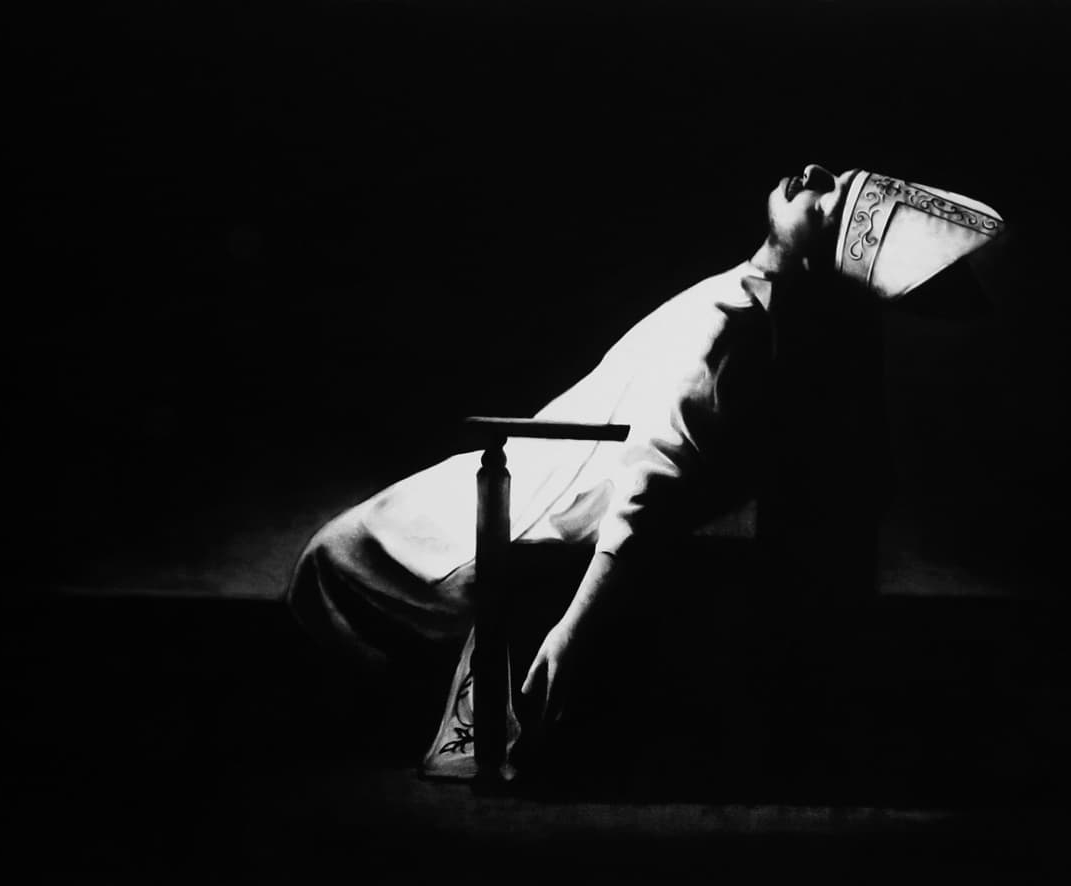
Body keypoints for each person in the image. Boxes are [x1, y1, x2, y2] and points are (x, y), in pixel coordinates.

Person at [286, 164, 1006, 776]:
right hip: (535, 469)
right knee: (345, 557)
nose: (812, 175)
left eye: (827, 204)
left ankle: (369, 725)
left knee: (337, 557)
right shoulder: (746, 300)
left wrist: (574, 628)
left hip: (535, 504)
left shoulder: (735, 334)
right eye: (832, 179)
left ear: (821, 261)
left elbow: (647, 493)